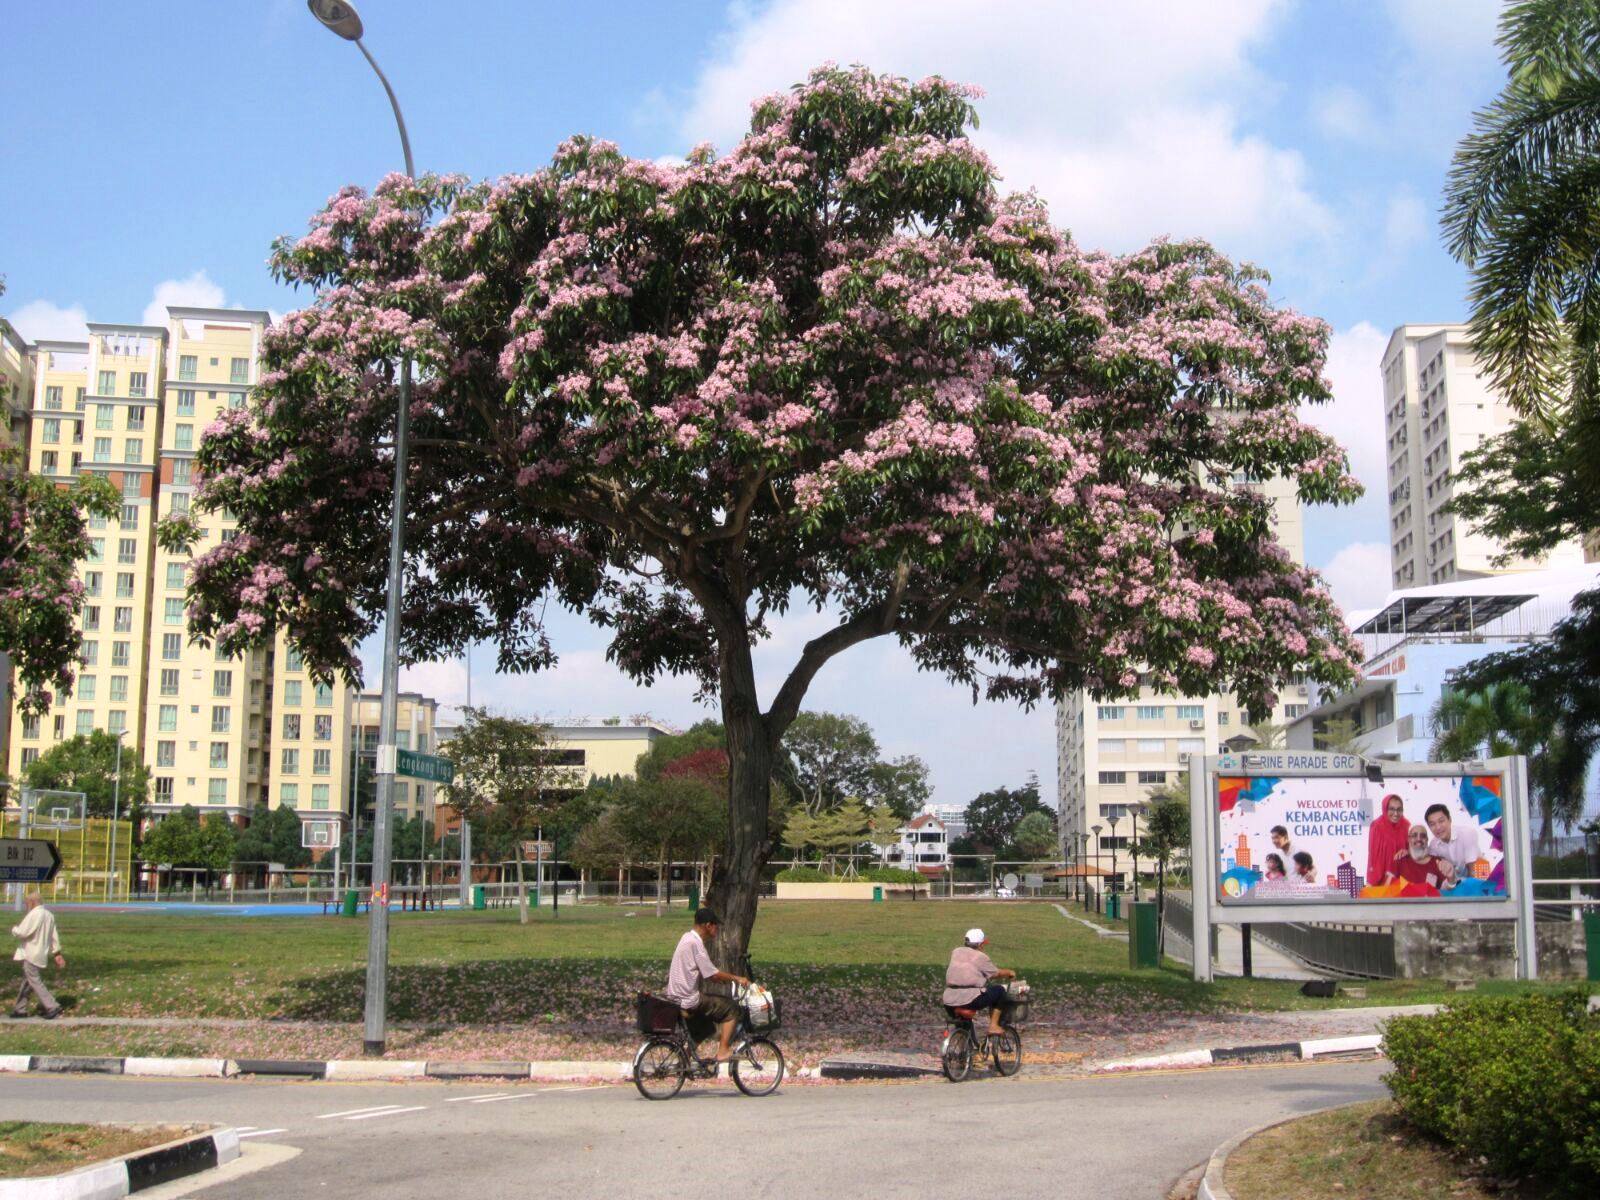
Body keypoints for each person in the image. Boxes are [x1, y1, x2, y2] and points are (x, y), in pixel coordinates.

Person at [665, 907, 749, 1064]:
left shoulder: (686, 938)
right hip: (688, 999)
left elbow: (709, 975)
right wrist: (737, 979)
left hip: (675, 997)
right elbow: (712, 974)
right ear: (708, 925)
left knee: (706, 1027)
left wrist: (721, 979)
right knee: (731, 1009)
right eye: (715, 925)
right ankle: (723, 1051)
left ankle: (684, 1059)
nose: (717, 929)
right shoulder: (695, 943)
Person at [943, 928, 1016, 1036]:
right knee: (1000, 991)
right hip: (970, 999)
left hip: (948, 999)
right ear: (981, 944)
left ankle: (964, 1045)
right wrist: (1009, 972)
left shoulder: (956, 952)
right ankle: (994, 1026)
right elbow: (996, 974)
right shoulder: (981, 957)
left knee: (963, 1025)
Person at [10, 890, 64, 1020]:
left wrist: (14, 930)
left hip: (31, 952)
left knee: (34, 980)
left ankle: (52, 1006)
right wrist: (56, 952)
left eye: (27, 903)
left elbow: (24, 932)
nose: (26, 906)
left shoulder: (34, 914)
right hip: (41, 952)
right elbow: (54, 936)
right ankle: (20, 1008)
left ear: (32, 902)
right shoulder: (49, 915)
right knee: (28, 981)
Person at [1385, 825, 1454, 893]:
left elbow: (1448, 891)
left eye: (1423, 836)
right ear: (1409, 839)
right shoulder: (1399, 860)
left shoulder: (1438, 862)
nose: (1418, 839)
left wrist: (1451, 878)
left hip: (1430, 904)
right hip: (1404, 904)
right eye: (1414, 835)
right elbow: (1387, 891)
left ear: (1427, 840)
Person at [1424, 804, 1480, 878]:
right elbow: (1434, 873)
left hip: (1480, 872)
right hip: (1458, 880)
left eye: (1441, 821)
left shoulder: (1467, 834)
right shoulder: (1433, 846)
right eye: (1432, 824)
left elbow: (1473, 871)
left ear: (1450, 820)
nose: (1438, 827)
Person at [1365, 794, 1410, 886]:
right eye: (1392, 809)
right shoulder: (1376, 826)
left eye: (1399, 809)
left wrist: (1408, 852)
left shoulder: (1406, 825)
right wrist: (1373, 879)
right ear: (1385, 809)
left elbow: (1412, 849)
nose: (1396, 813)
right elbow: (1373, 854)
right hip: (1381, 876)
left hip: (1402, 875)